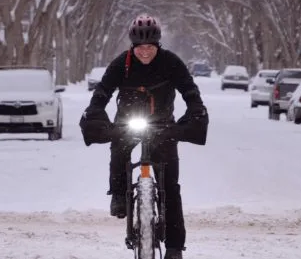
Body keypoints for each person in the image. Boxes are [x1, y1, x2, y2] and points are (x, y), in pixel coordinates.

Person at [79, 14, 208, 259]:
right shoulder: (121, 64)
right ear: (133, 46)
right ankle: (118, 193)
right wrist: (96, 112)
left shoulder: (171, 62)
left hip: (163, 125)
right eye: (140, 48)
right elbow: (102, 92)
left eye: (149, 47)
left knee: (170, 186)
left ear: (157, 45)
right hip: (128, 122)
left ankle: (174, 247)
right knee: (118, 151)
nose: (145, 52)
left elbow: (190, 91)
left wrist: (196, 110)